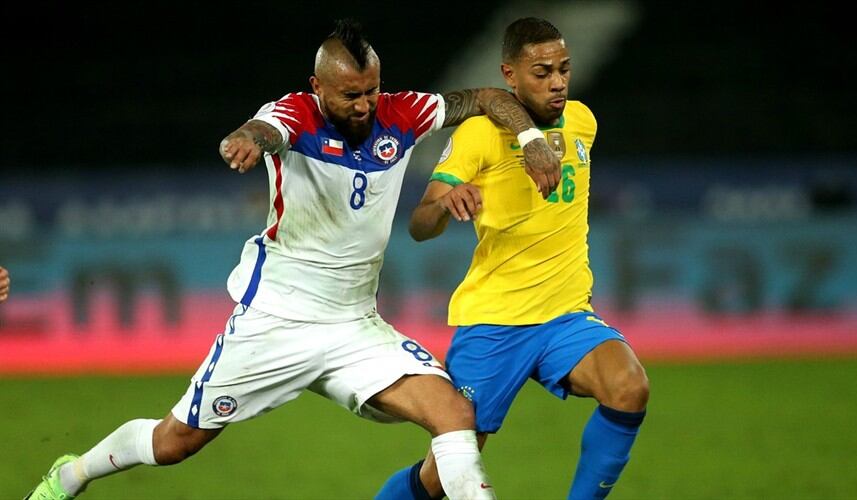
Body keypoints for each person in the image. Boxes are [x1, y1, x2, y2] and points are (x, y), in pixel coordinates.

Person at [25, 19, 561, 500]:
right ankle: (71, 475)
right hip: (276, 320)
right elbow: (265, 130)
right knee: (173, 443)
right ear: (317, 87)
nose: (364, 105)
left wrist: (531, 137)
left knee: (455, 415)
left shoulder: (401, 113)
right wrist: (247, 139)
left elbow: (486, 98)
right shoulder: (294, 115)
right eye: (350, 95)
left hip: (354, 326)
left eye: (371, 91)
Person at [376, 18, 649, 500]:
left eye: (564, 69)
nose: (558, 82)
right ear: (510, 75)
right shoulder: (480, 134)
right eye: (542, 72)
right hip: (495, 323)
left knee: (629, 386)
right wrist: (445, 203)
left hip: (565, 314)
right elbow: (420, 224)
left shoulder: (582, 122)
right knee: (441, 477)